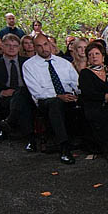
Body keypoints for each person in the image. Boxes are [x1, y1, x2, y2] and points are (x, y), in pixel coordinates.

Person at [22, 33, 80, 164]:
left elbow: (76, 83)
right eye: (39, 46)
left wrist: (78, 94)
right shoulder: (29, 65)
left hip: (68, 96)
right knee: (55, 104)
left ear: (50, 44)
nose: (44, 48)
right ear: (34, 48)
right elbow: (37, 92)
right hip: (46, 100)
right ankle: (64, 147)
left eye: (45, 44)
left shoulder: (63, 63)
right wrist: (58, 96)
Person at [0, 34, 36, 151]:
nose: (12, 48)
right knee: (22, 105)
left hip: (27, 94)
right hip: (5, 97)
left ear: (19, 47)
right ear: (2, 46)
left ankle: (9, 122)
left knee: (21, 93)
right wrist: (1, 92)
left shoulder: (28, 62)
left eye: (15, 46)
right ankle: (30, 139)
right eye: (8, 45)